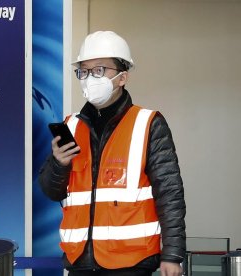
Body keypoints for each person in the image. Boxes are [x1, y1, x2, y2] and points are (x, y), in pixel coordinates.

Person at [39, 31, 186, 276]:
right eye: (84, 71)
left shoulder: (148, 123)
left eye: (99, 70)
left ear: (122, 77)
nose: (89, 78)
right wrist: (58, 164)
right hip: (80, 263)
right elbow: (50, 191)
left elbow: (170, 194)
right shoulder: (71, 125)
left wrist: (173, 254)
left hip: (132, 262)